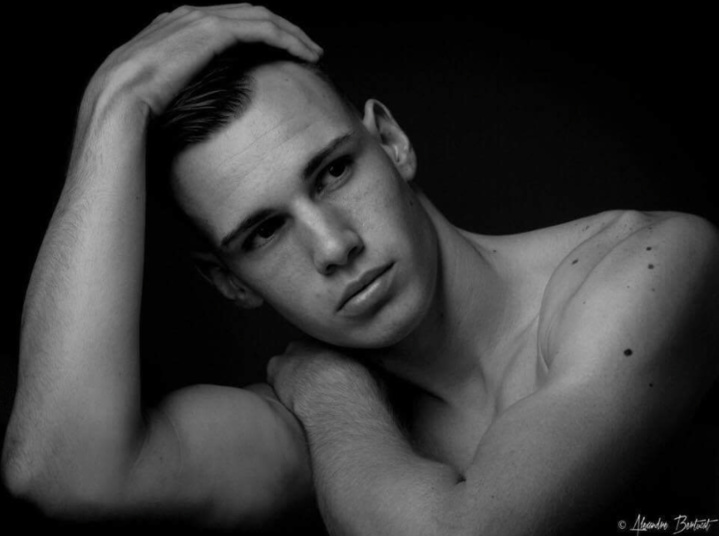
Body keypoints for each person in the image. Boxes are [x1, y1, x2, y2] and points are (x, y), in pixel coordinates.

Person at [3, 4, 718, 535]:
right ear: (229, 281)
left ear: (393, 143)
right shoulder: (342, 435)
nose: (333, 245)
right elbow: (62, 471)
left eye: (333, 172)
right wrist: (113, 107)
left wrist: (328, 394)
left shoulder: (644, 265)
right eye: (264, 231)